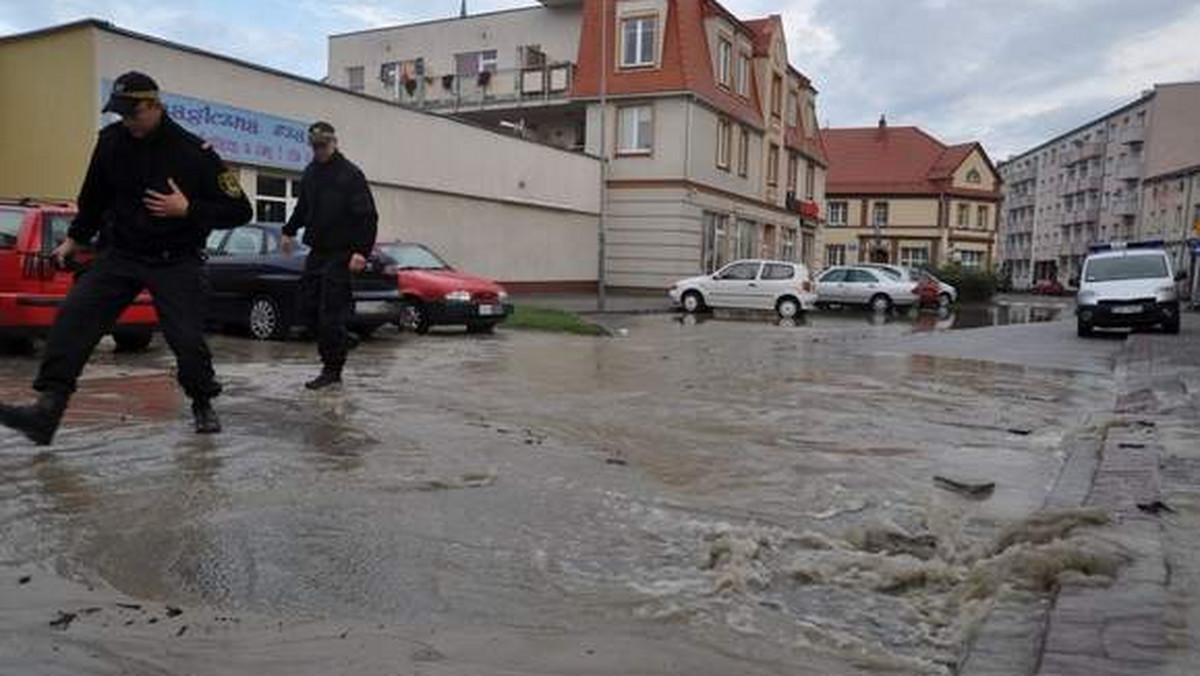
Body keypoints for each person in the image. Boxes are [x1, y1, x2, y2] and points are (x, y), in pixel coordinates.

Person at [0, 71, 252, 446]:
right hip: (120, 253)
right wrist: (75, 239)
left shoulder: (193, 152)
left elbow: (239, 211)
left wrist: (188, 209)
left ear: (154, 105)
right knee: (73, 317)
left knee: (186, 340)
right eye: (121, 114)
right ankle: (47, 410)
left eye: (133, 113)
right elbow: (94, 197)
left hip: (175, 260)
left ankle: (202, 401)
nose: (127, 121)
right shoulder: (111, 142)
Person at [281, 121, 378, 390]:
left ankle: (332, 369)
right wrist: (288, 231)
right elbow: (303, 208)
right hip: (318, 251)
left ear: (334, 143)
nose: (319, 151)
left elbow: (367, 216)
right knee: (307, 308)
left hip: (341, 252)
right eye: (314, 147)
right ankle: (342, 338)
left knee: (330, 311)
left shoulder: (350, 175)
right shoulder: (311, 173)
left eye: (323, 146)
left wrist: (361, 251)